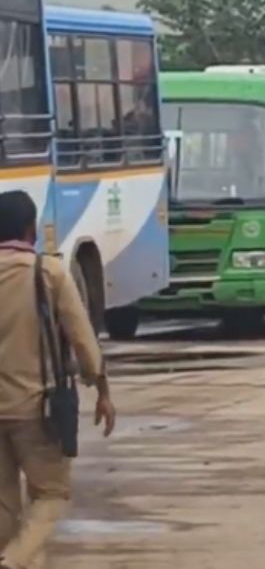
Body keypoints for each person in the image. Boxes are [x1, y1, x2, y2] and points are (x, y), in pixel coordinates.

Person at [0, 190, 116, 569]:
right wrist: (101, 389)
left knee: (5, 508)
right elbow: (83, 339)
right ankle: (13, 562)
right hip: (36, 410)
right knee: (51, 494)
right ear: (30, 229)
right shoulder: (46, 273)